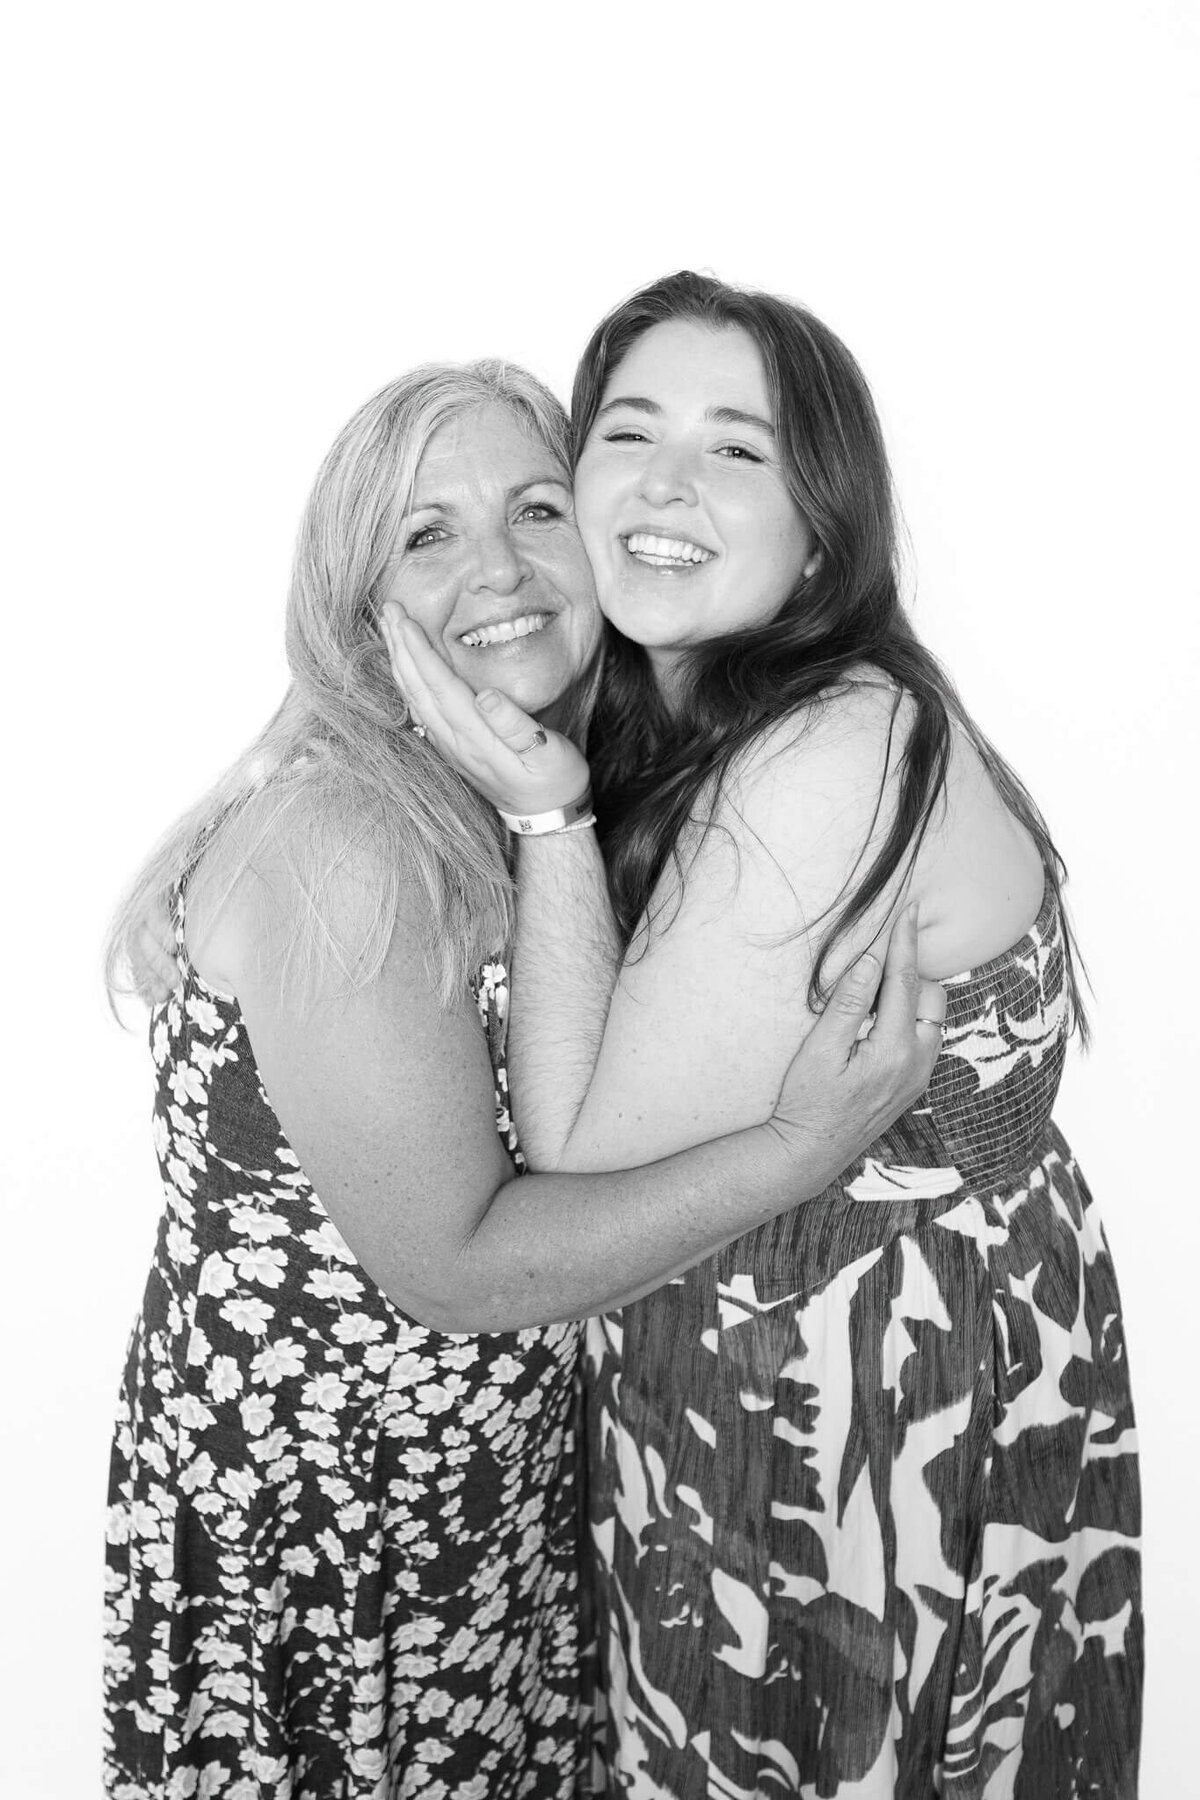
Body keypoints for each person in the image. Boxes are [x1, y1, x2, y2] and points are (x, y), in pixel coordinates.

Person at [103, 358, 944, 1799]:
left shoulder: (515, 796)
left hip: (485, 1503)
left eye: (536, 509)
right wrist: (801, 1151)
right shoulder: (349, 839)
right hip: (341, 1543)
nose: (497, 569)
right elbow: (460, 1271)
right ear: (354, 601)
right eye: (425, 534)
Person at [382, 273, 1142, 1797]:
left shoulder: (832, 747)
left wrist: (546, 819)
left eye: (737, 447)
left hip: (868, 1423)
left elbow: (582, 1168)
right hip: (758, 1390)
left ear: (821, 529)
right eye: (629, 431)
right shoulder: (701, 723)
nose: (666, 483)